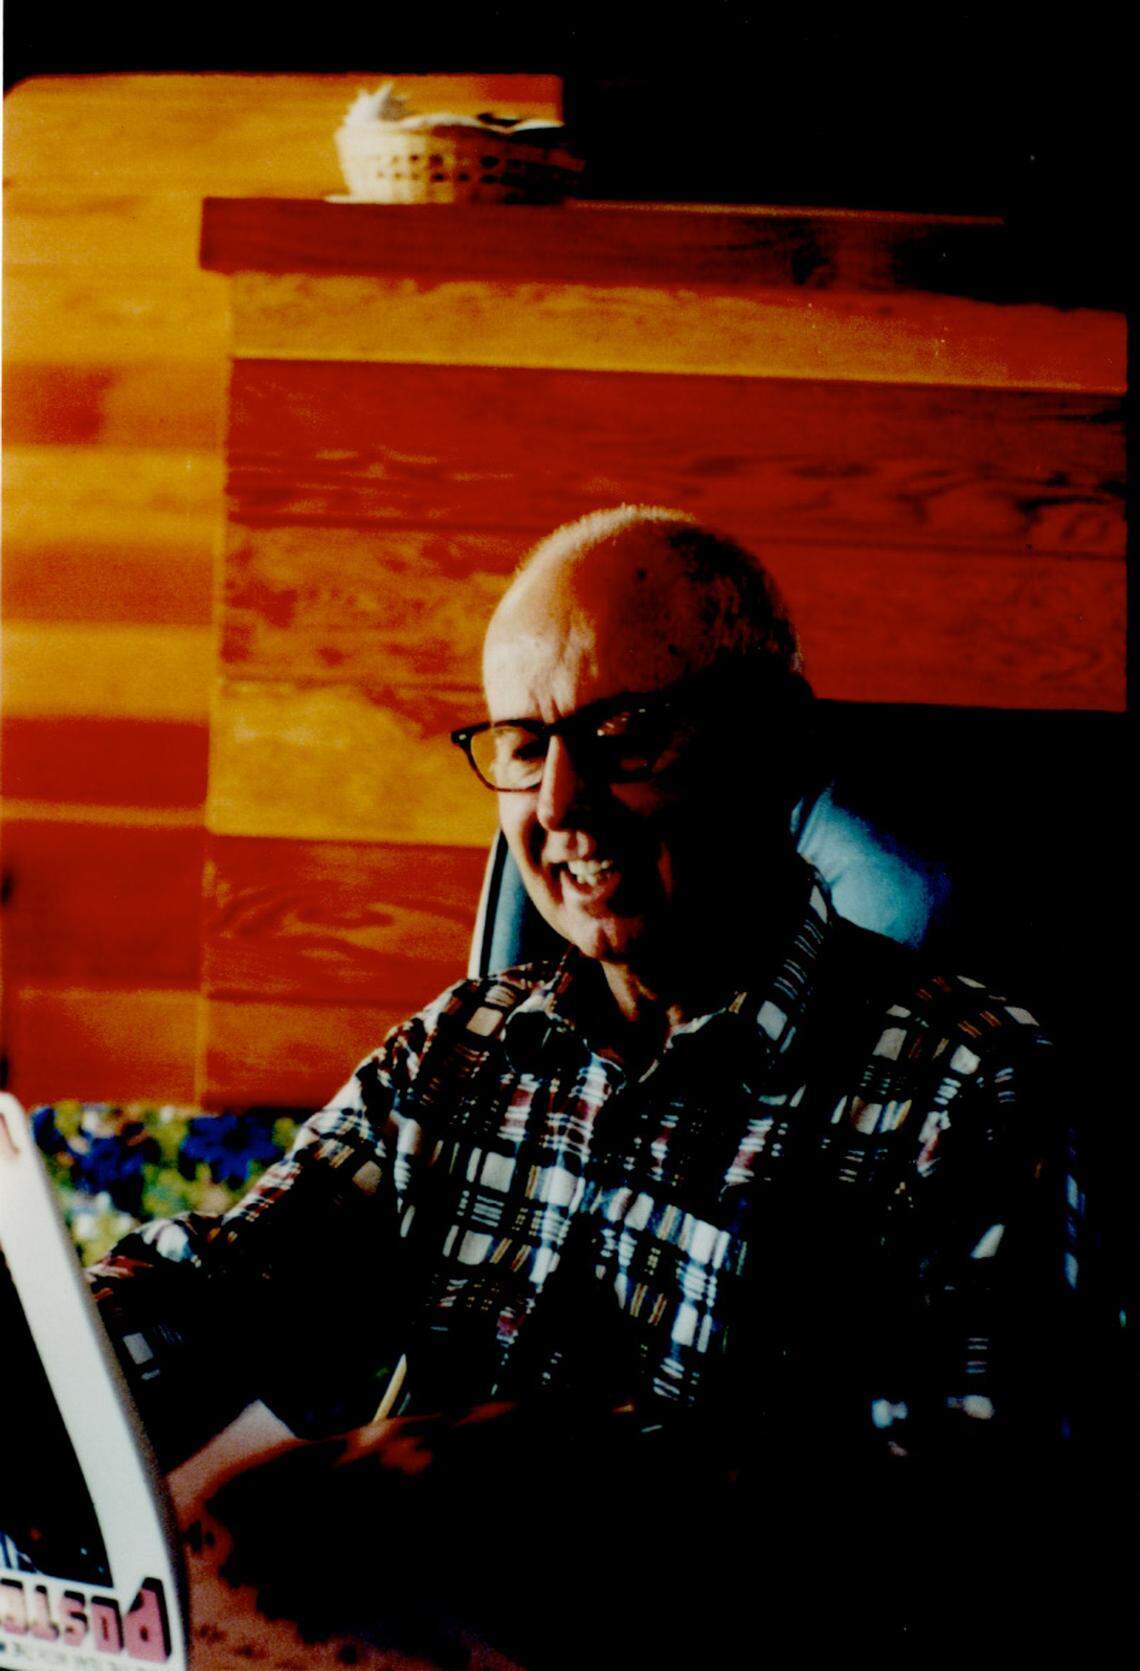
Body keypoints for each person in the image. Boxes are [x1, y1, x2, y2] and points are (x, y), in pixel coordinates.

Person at [88, 506, 1079, 1658]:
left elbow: (974, 1522)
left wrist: (530, 1478)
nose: (558, 805)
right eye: (521, 743)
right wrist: (68, 1355)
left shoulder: (977, 1088)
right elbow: (234, 1287)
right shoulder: (466, 1046)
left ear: (776, 746)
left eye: (626, 734)